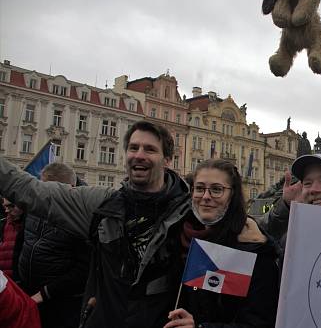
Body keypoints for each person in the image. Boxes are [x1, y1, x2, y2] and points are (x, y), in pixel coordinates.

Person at [0, 121, 191, 328]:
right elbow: (31, 191)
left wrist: (199, 322)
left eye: (150, 149)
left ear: (167, 160)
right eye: (133, 148)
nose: (139, 155)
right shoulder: (101, 205)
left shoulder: (188, 212)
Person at [164, 159, 279, 328]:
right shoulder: (175, 233)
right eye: (200, 188)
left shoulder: (252, 246)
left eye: (217, 190)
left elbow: (260, 323)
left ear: (232, 195)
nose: (206, 197)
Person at [18, 162, 90, 328]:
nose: (43, 195)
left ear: (69, 188)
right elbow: (22, 246)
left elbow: (83, 270)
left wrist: (45, 293)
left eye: (49, 191)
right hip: (29, 295)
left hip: (62, 305)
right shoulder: (36, 206)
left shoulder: (81, 218)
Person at [258, 151, 321, 252]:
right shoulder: (290, 237)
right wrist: (286, 206)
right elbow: (254, 237)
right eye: (308, 183)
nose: (314, 189)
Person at [0, 198, 24, 281]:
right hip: (5, 280)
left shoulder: (31, 226)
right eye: (5, 207)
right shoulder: (4, 224)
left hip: (20, 281)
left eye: (11, 206)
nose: (7, 210)